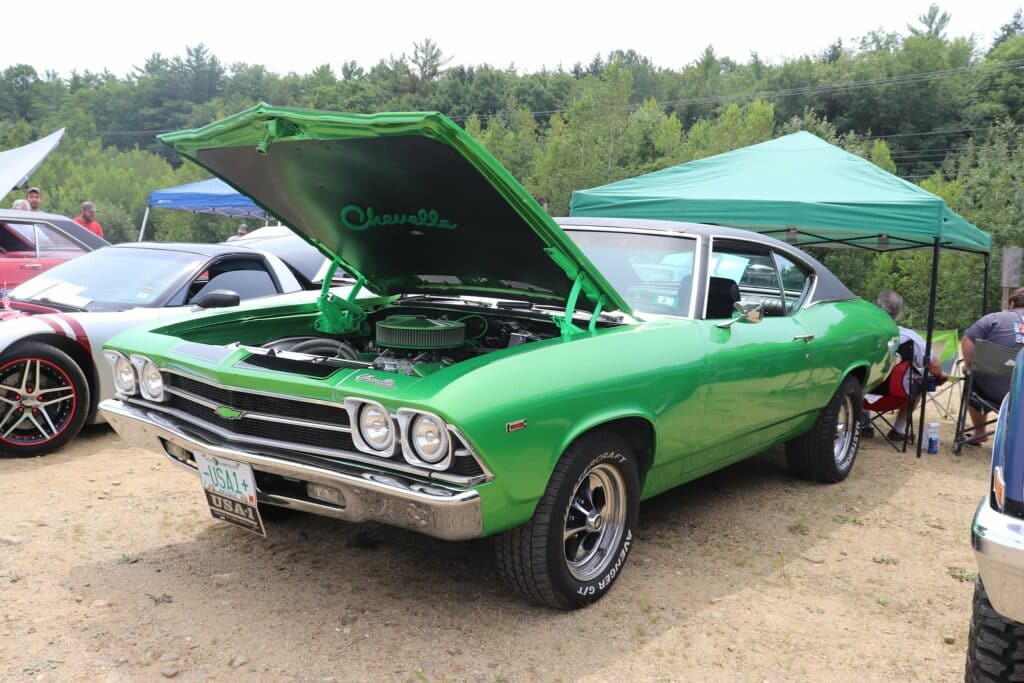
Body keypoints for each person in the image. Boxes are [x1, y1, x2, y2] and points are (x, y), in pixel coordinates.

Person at [870, 290, 945, 440]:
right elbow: (934, 364)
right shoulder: (909, 337)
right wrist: (940, 375)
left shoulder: (863, 333)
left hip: (862, 394)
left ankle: (864, 424)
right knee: (921, 379)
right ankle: (899, 429)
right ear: (899, 313)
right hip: (896, 395)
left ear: (876, 307)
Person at [960, 287, 1024, 443]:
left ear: (1010, 304)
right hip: (1021, 394)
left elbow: (967, 339)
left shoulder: (993, 319)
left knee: (972, 380)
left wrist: (969, 365)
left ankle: (980, 432)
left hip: (991, 391)